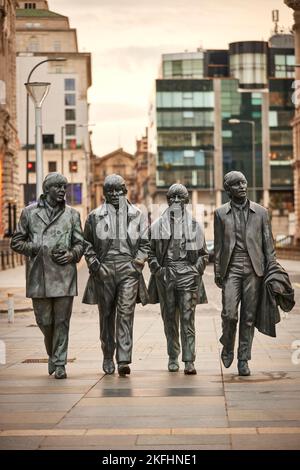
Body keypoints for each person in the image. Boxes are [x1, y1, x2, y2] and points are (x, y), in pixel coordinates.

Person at [11, 172, 84, 379]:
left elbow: (80, 244)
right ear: (47, 190)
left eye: (64, 187)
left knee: (62, 321)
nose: (62, 190)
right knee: (44, 321)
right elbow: (16, 242)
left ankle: (60, 363)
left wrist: (71, 254)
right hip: (39, 276)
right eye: (58, 187)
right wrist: (36, 248)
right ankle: (53, 353)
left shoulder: (72, 214)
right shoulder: (29, 213)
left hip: (64, 275)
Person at [82, 174, 149, 376]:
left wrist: (136, 264)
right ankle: (107, 355)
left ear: (125, 191)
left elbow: (146, 244)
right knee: (107, 315)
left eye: (118, 189)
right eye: (109, 190)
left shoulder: (137, 214)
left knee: (126, 313)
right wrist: (95, 265)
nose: (114, 194)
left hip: (128, 269)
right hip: (104, 270)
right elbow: (87, 244)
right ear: (104, 193)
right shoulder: (94, 216)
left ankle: (123, 359)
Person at [214, 171, 276, 376]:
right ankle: (227, 344)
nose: (242, 186)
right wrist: (217, 272)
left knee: (248, 317)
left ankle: (243, 359)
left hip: (254, 271)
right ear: (228, 189)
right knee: (229, 314)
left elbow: (269, 245)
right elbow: (219, 245)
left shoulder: (261, 212)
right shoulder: (220, 213)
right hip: (231, 269)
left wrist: (272, 270)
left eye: (244, 182)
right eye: (236, 184)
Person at [148, 184, 208, 375]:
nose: (175, 201)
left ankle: (189, 359)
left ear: (186, 201)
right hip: (167, 275)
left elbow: (203, 254)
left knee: (188, 319)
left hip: (187, 275)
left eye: (179, 198)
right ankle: (173, 355)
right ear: (167, 200)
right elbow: (149, 252)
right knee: (169, 319)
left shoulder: (194, 226)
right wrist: (158, 270)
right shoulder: (157, 225)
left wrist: (195, 270)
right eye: (172, 197)